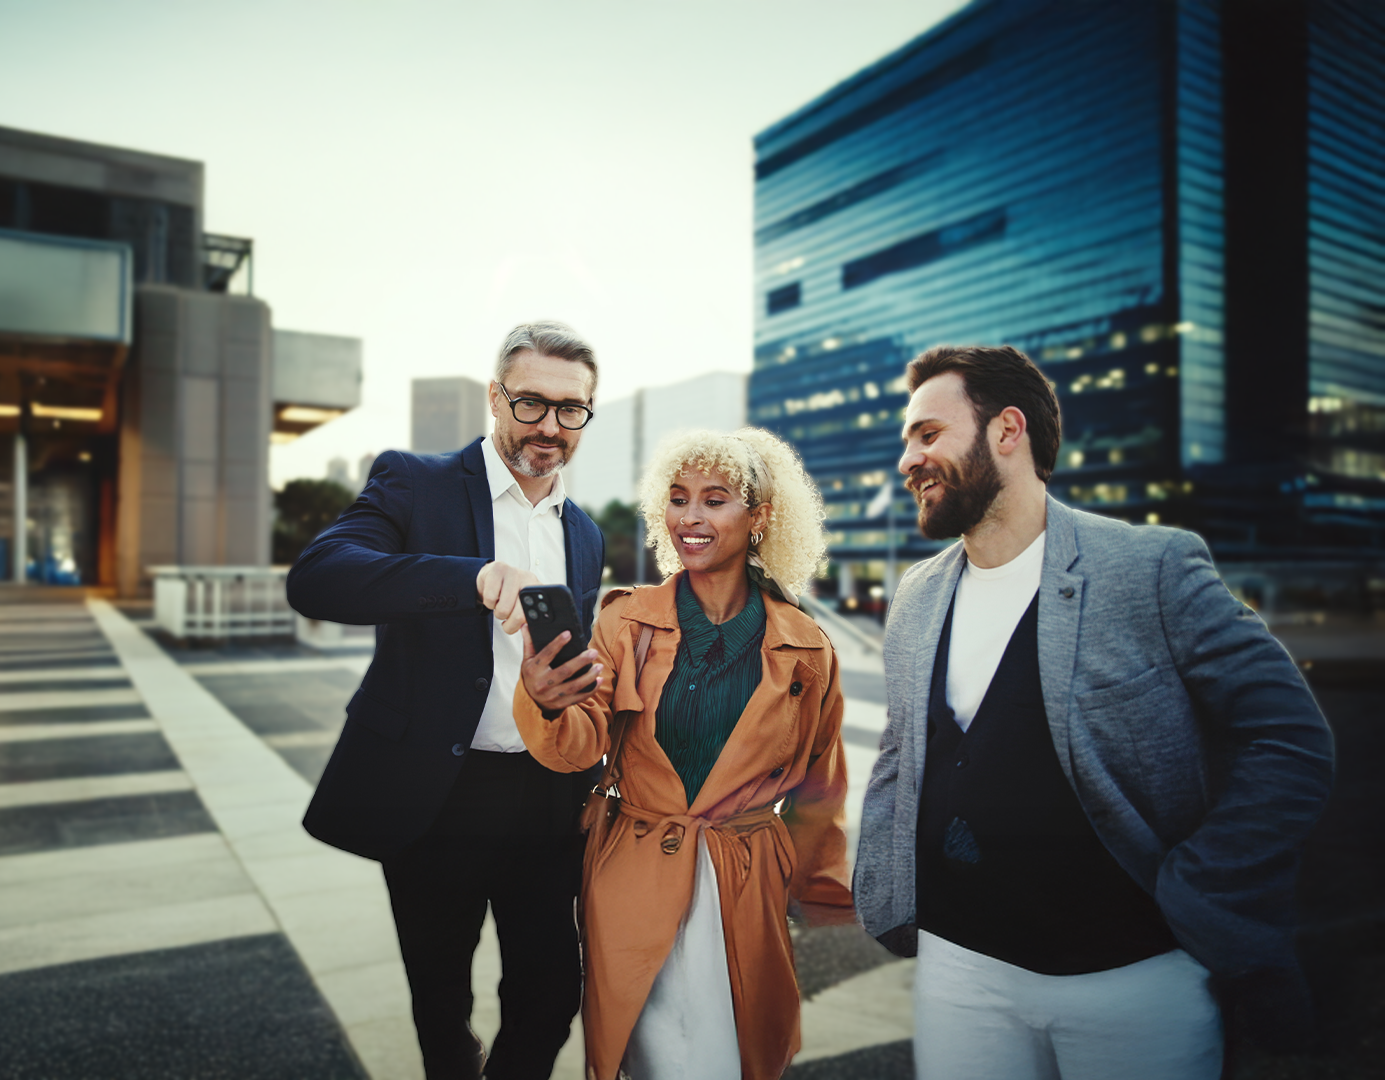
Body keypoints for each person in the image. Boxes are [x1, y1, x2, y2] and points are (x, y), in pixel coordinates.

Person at [855, 344, 1336, 1079]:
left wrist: (1198, 886)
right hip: (960, 972)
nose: (907, 460)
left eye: (927, 434)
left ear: (1007, 431)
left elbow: (1290, 739)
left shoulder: (1151, 568)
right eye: (906, 441)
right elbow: (902, 752)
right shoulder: (918, 595)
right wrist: (886, 891)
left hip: (1134, 980)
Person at [286, 321, 606, 1080]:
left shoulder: (585, 533)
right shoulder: (415, 480)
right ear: (495, 397)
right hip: (436, 796)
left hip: (547, 798)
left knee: (553, 993)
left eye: (571, 410)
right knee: (440, 1005)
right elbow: (319, 576)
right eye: (530, 403)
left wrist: (567, 696)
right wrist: (471, 577)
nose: (549, 427)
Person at [515, 427, 854, 1080]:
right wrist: (549, 701)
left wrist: (818, 886)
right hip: (632, 873)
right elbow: (582, 741)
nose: (689, 518)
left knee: (733, 1054)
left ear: (760, 517)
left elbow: (821, 784)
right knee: (645, 1054)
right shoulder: (623, 619)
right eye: (677, 498)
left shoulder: (808, 645)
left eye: (715, 499)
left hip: (745, 879)